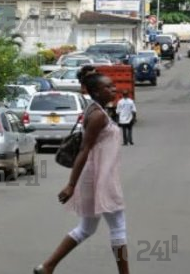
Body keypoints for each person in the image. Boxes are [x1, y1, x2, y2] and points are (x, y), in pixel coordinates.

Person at [34, 71, 129, 274]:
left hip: (95, 175)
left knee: (86, 228)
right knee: (118, 227)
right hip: (100, 178)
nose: (114, 89)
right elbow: (85, 150)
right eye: (108, 87)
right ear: (95, 91)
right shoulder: (97, 116)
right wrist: (71, 184)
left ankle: (47, 266)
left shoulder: (97, 110)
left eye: (113, 86)